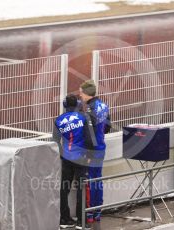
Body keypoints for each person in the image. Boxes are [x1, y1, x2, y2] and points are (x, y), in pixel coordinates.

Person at [53, 94, 91, 229]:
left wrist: (62, 155)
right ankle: (81, 221)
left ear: (64, 104)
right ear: (78, 104)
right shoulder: (83, 117)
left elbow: (55, 142)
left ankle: (64, 218)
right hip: (81, 157)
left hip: (66, 158)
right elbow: (89, 139)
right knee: (81, 188)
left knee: (64, 189)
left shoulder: (58, 120)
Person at [79, 80, 111, 223]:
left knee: (91, 181)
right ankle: (98, 211)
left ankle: (90, 213)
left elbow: (88, 135)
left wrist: (88, 153)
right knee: (98, 179)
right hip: (101, 147)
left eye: (81, 92)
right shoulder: (104, 106)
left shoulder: (89, 111)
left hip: (93, 150)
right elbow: (107, 127)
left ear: (86, 94)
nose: (80, 95)